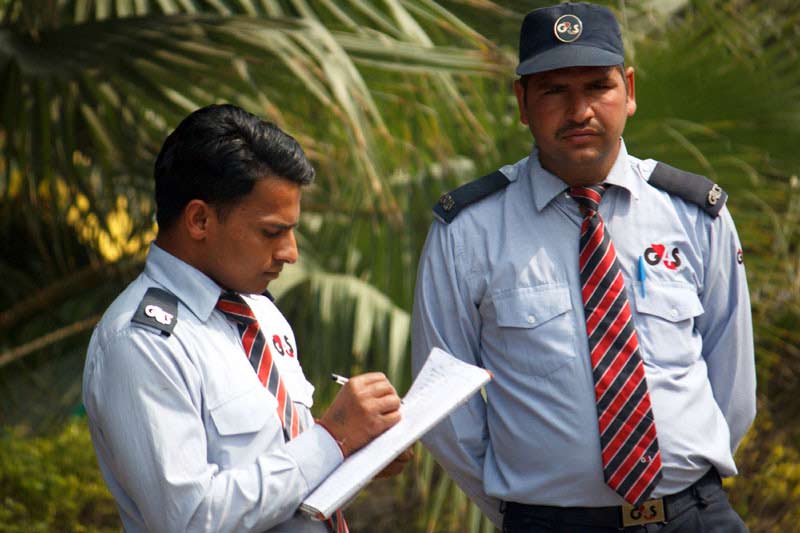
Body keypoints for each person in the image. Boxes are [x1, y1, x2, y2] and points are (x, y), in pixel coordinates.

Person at [411, 2, 756, 532]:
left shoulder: (694, 214)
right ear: (522, 102)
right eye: (554, 90)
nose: (580, 111)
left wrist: (688, 482)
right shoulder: (467, 232)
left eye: (598, 86)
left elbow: (732, 383)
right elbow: (445, 408)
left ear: (629, 90)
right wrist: (524, 510)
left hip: (695, 516)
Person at [83, 103, 408, 532]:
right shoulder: (140, 342)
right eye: (272, 232)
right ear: (199, 219)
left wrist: (354, 452)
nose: (291, 253)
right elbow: (192, 519)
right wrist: (332, 439)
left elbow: (282, 472)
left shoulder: (259, 312)